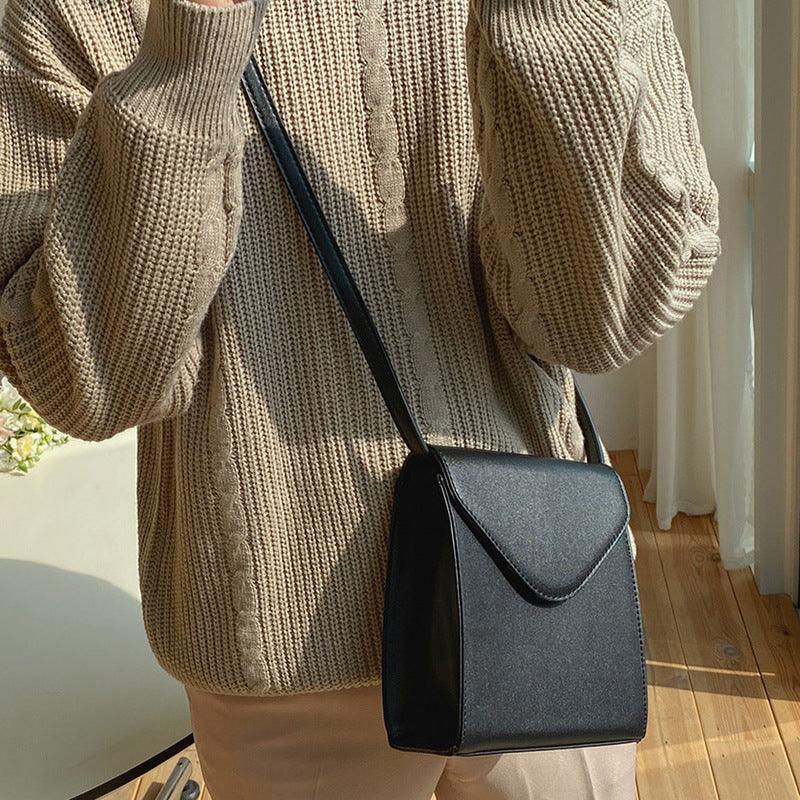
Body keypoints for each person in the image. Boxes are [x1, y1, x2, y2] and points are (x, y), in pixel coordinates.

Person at [0, 0, 720, 796]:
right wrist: (186, 56)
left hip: (534, 593)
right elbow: (86, 382)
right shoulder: (63, 11)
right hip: (279, 649)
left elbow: (605, 320)